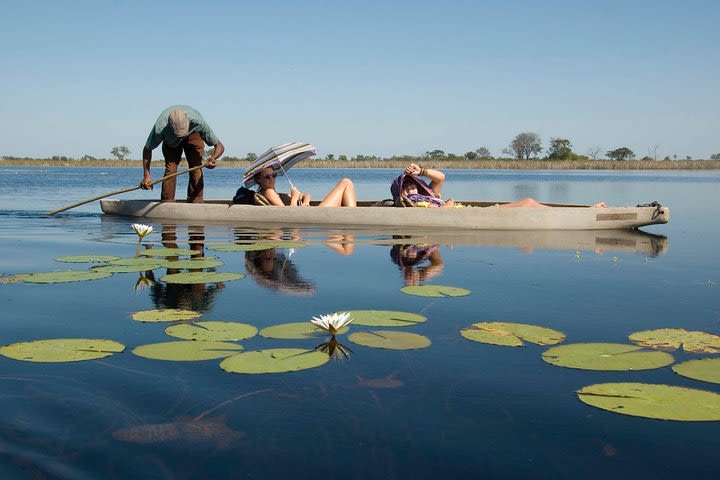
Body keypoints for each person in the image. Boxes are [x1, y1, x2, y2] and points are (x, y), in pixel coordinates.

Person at [392, 163, 606, 208]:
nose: (412, 189)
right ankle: (588, 212)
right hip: (472, 217)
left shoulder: (428, 194)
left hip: (472, 213)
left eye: (413, 185)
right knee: (528, 202)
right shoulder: (414, 204)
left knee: (529, 203)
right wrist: (447, 206)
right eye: (407, 187)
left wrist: (421, 172)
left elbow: (441, 178)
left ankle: (586, 211)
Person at [140, 105, 225, 203]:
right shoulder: (160, 127)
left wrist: (213, 158)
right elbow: (147, 149)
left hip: (193, 133)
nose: (181, 138)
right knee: (170, 170)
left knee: (196, 167)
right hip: (170, 141)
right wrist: (146, 176)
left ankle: (196, 201)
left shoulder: (198, 122)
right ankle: (167, 202)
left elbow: (220, 146)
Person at [253, 166, 357, 207]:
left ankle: (352, 215)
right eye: (267, 176)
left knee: (347, 250)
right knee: (346, 182)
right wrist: (294, 197)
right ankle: (354, 216)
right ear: (258, 179)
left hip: (311, 213)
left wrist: (306, 202)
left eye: (273, 175)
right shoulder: (268, 192)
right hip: (316, 216)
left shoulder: (274, 193)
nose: (271, 178)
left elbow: (307, 195)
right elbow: (288, 214)